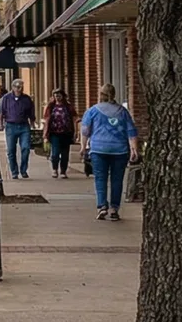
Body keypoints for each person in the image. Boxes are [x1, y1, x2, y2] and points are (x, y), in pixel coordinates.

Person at [81, 83, 140, 221]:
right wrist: (134, 149)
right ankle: (114, 208)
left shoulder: (92, 111)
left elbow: (85, 130)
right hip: (119, 150)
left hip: (98, 149)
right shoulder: (122, 112)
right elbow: (131, 131)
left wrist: (84, 146)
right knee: (117, 180)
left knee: (100, 178)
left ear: (100, 94)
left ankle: (102, 206)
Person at [0, 78, 37, 179]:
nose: (18, 89)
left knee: (25, 148)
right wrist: (0, 124)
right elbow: (1, 113)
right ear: (12, 87)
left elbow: (31, 113)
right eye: (16, 87)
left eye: (20, 87)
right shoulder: (6, 98)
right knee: (11, 150)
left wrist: (32, 123)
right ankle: (14, 172)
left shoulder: (27, 99)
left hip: (24, 126)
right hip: (10, 126)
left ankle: (23, 170)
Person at [43, 88, 77, 179]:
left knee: (65, 154)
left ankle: (63, 171)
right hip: (54, 133)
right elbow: (46, 120)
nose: (57, 97)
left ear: (63, 96)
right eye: (55, 95)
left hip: (66, 133)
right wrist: (45, 134)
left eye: (59, 95)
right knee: (55, 153)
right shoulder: (51, 107)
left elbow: (74, 119)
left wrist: (75, 132)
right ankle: (54, 169)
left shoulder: (68, 106)